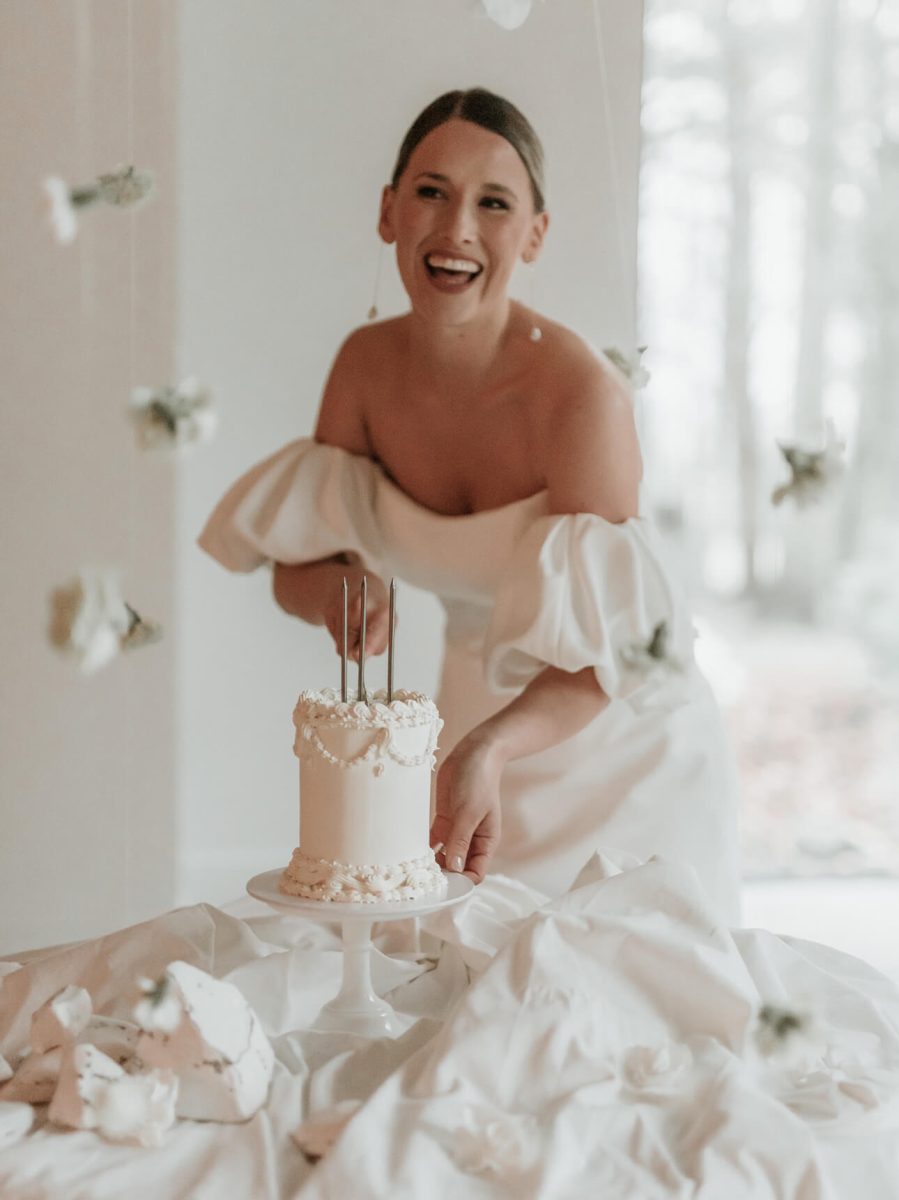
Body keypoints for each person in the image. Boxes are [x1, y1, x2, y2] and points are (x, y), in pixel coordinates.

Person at [199, 88, 741, 921]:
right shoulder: (363, 369)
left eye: (493, 204)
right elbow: (297, 568)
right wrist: (346, 599)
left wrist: (490, 745)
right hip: (468, 750)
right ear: (388, 212)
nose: (455, 230)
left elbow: (608, 660)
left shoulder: (579, 397)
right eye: (431, 192)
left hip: (620, 749)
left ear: (533, 234)